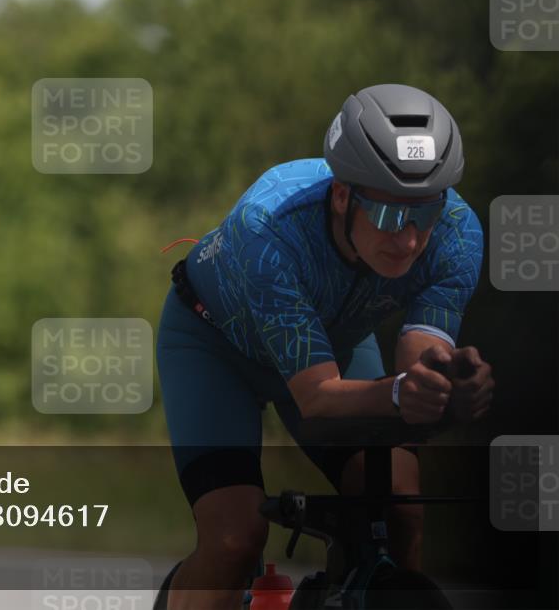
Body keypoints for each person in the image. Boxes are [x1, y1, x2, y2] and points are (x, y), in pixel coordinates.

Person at [154, 84, 495, 610]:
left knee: (401, 503)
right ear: (342, 196)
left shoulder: (458, 232)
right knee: (235, 539)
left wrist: (448, 388)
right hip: (214, 347)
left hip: (331, 343)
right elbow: (318, 398)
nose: (407, 238)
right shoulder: (268, 230)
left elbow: (417, 368)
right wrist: (405, 395)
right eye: (386, 215)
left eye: (423, 214)